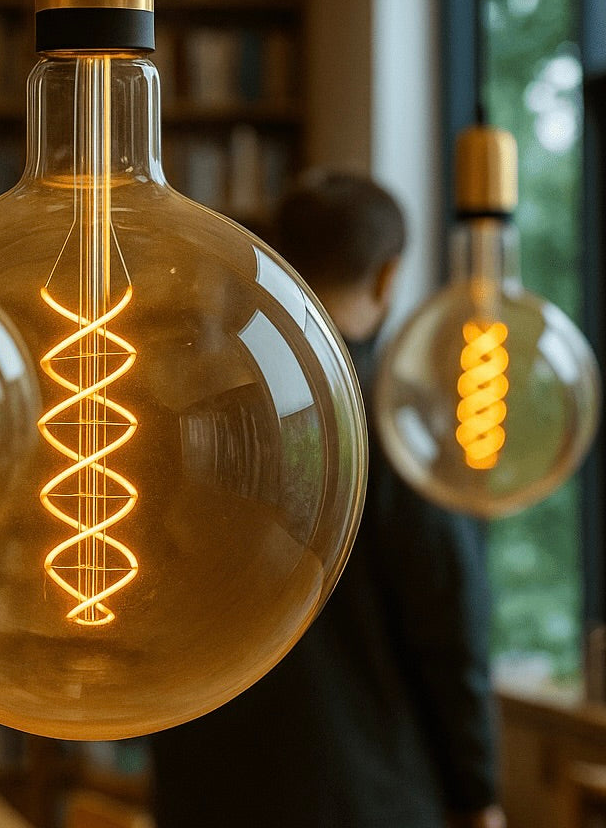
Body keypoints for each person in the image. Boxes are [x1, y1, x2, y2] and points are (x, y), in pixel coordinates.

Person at [150, 171, 505, 828]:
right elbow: (448, 630)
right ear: (387, 277)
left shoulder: (192, 413)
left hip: (203, 784)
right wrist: (476, 793)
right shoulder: (397, 428)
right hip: (363, 795)